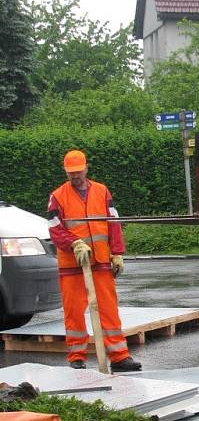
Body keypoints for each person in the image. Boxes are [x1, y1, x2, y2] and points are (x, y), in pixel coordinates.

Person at [48, 150, 142, 373]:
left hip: (99, 260)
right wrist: (75, 243)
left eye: (78, 172)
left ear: (86, 168)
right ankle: (77, 357)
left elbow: (113, 222)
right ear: (66, 172)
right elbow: (54, 228)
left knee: (108, 309)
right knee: (74, 311)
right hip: (72, 264)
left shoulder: (102, 191)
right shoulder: (58, 196)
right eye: (71, 173)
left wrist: (117, 252)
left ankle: (119, 357)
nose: (75, 177)